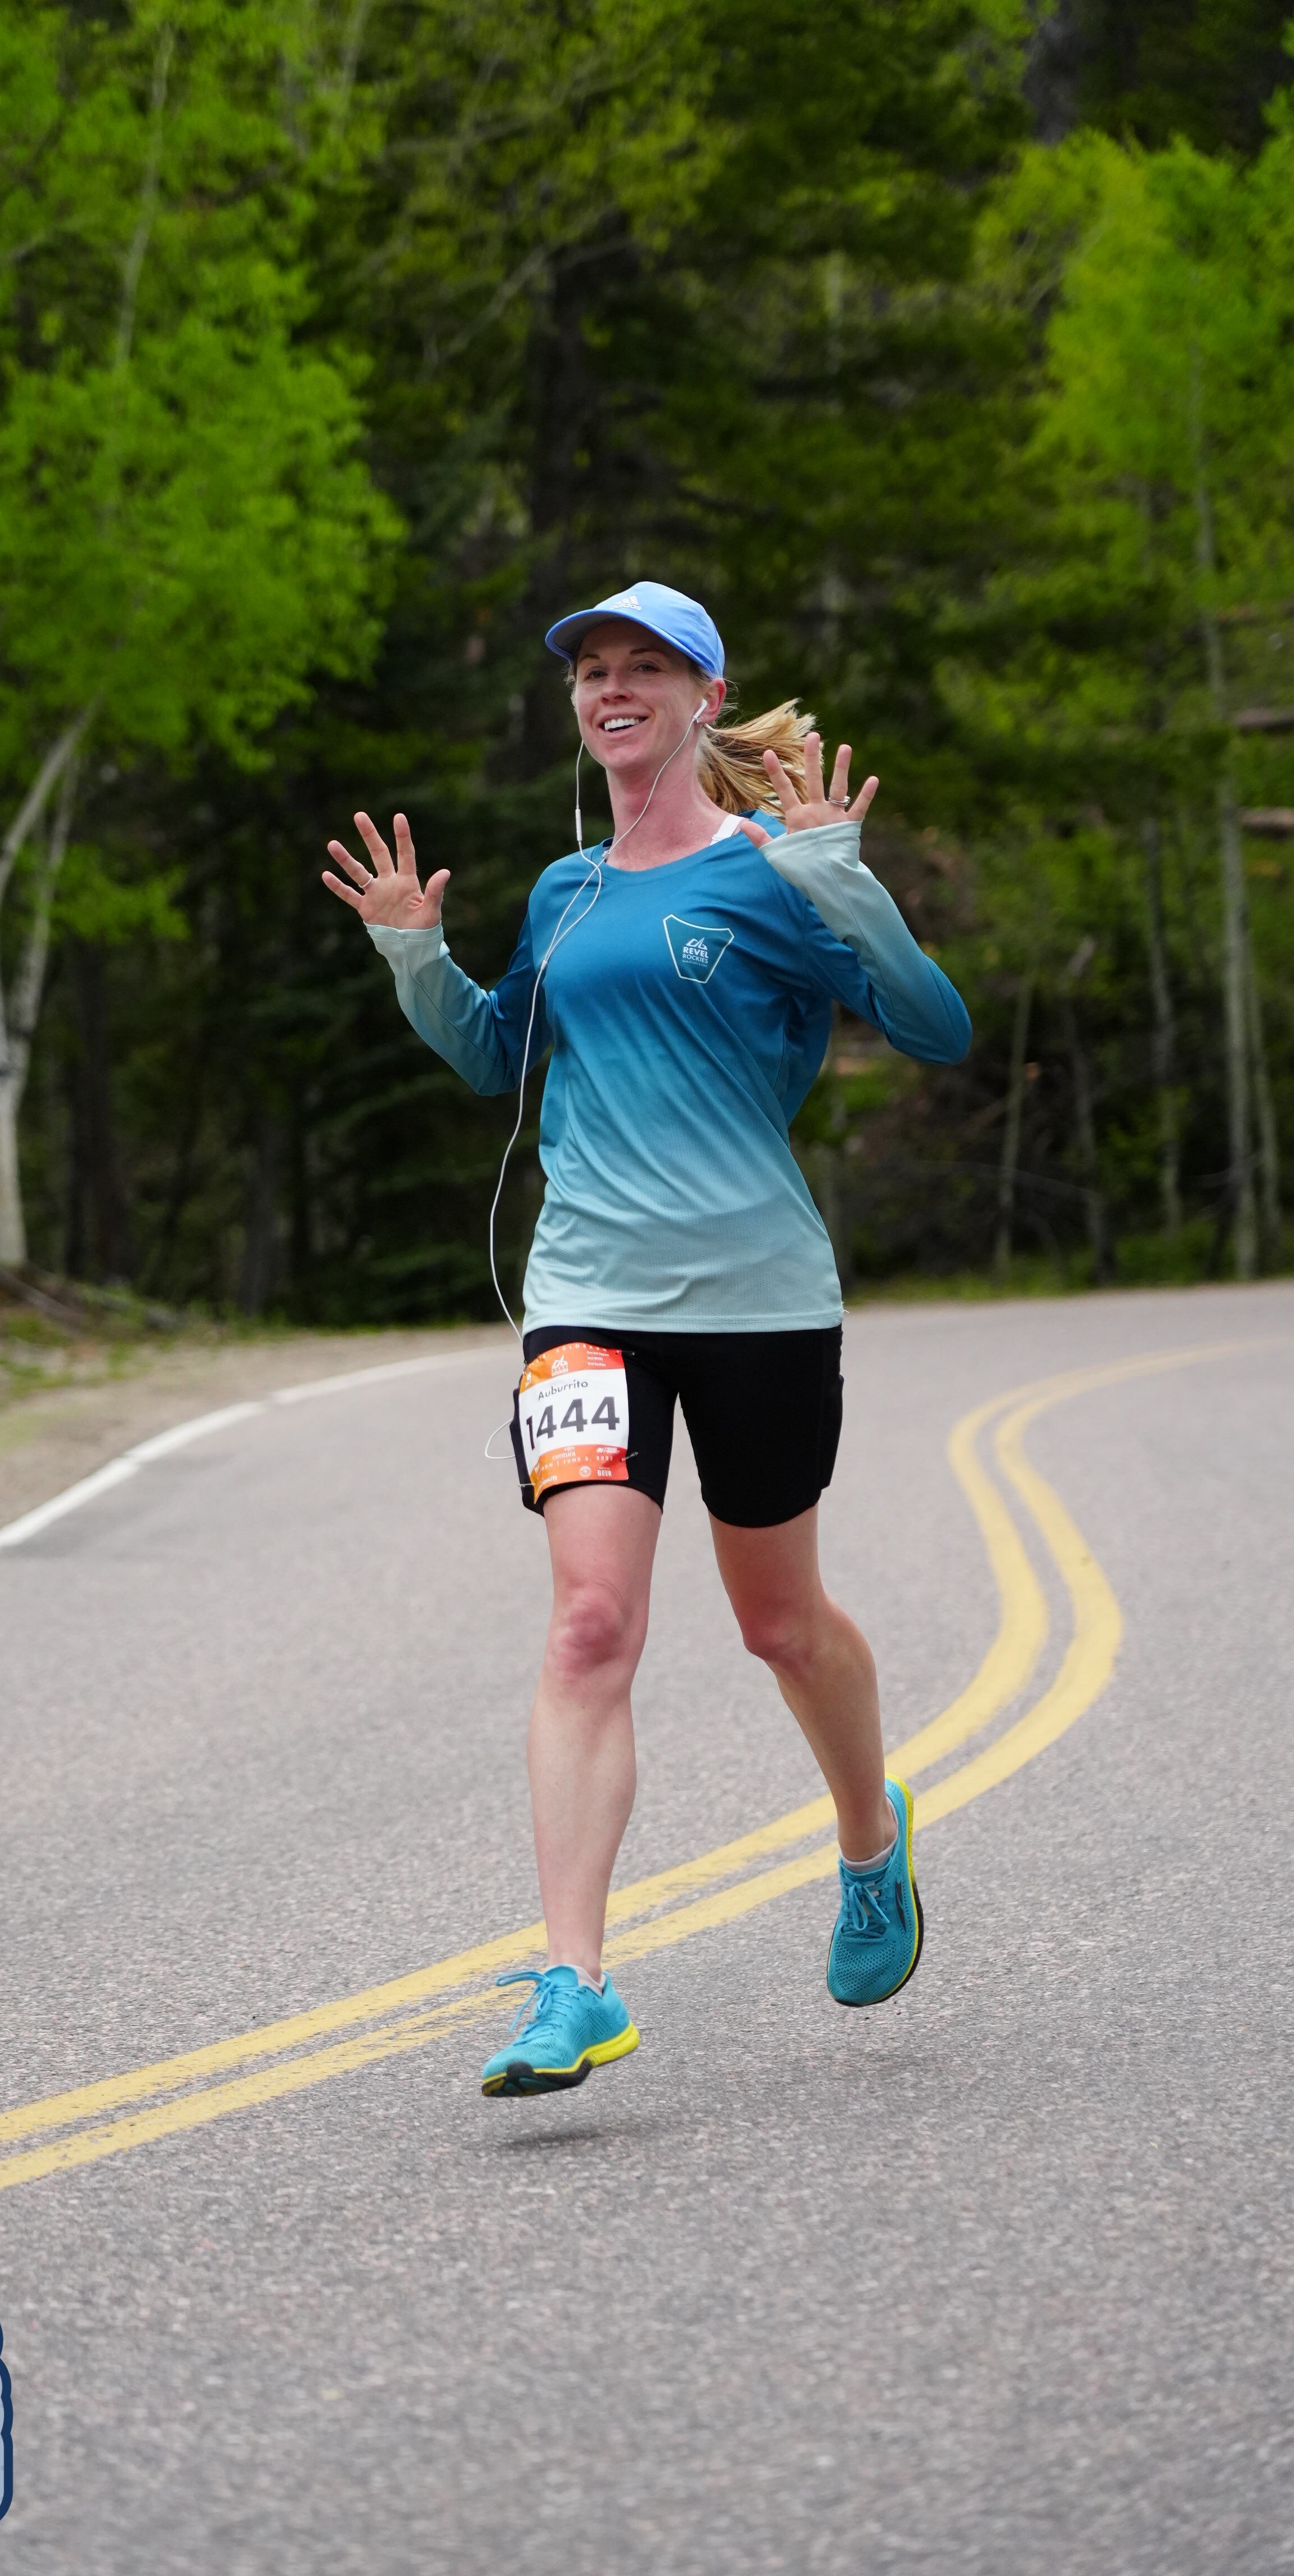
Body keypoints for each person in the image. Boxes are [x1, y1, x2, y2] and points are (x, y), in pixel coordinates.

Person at [322, 580, 971, 2097]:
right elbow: (497, 1055)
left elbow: (934, 1028)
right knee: (589, 1626)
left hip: (760, 1300)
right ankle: (577, 1984)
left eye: (645, 669)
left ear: (704, 698)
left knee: (779, 1625)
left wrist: (844, 882)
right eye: (592, 672)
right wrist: (417, 956)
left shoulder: (776, 873)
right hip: (586, 1298)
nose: (612, 689)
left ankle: (868, 1843)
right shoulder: (565, 891)